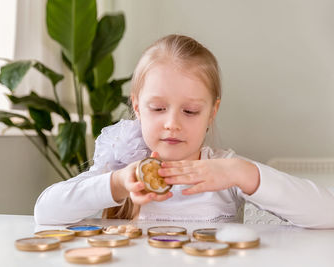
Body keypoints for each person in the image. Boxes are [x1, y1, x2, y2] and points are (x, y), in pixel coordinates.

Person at [34, 34, 334, 228]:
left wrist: (244, 173)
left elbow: (327, 213)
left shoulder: (223, 170)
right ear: (137, 107)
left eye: (190, 111)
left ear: (211, 113)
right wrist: (117, 184)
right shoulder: (122, 164)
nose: (172, 123)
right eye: (158, 108)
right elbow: (45, 213)